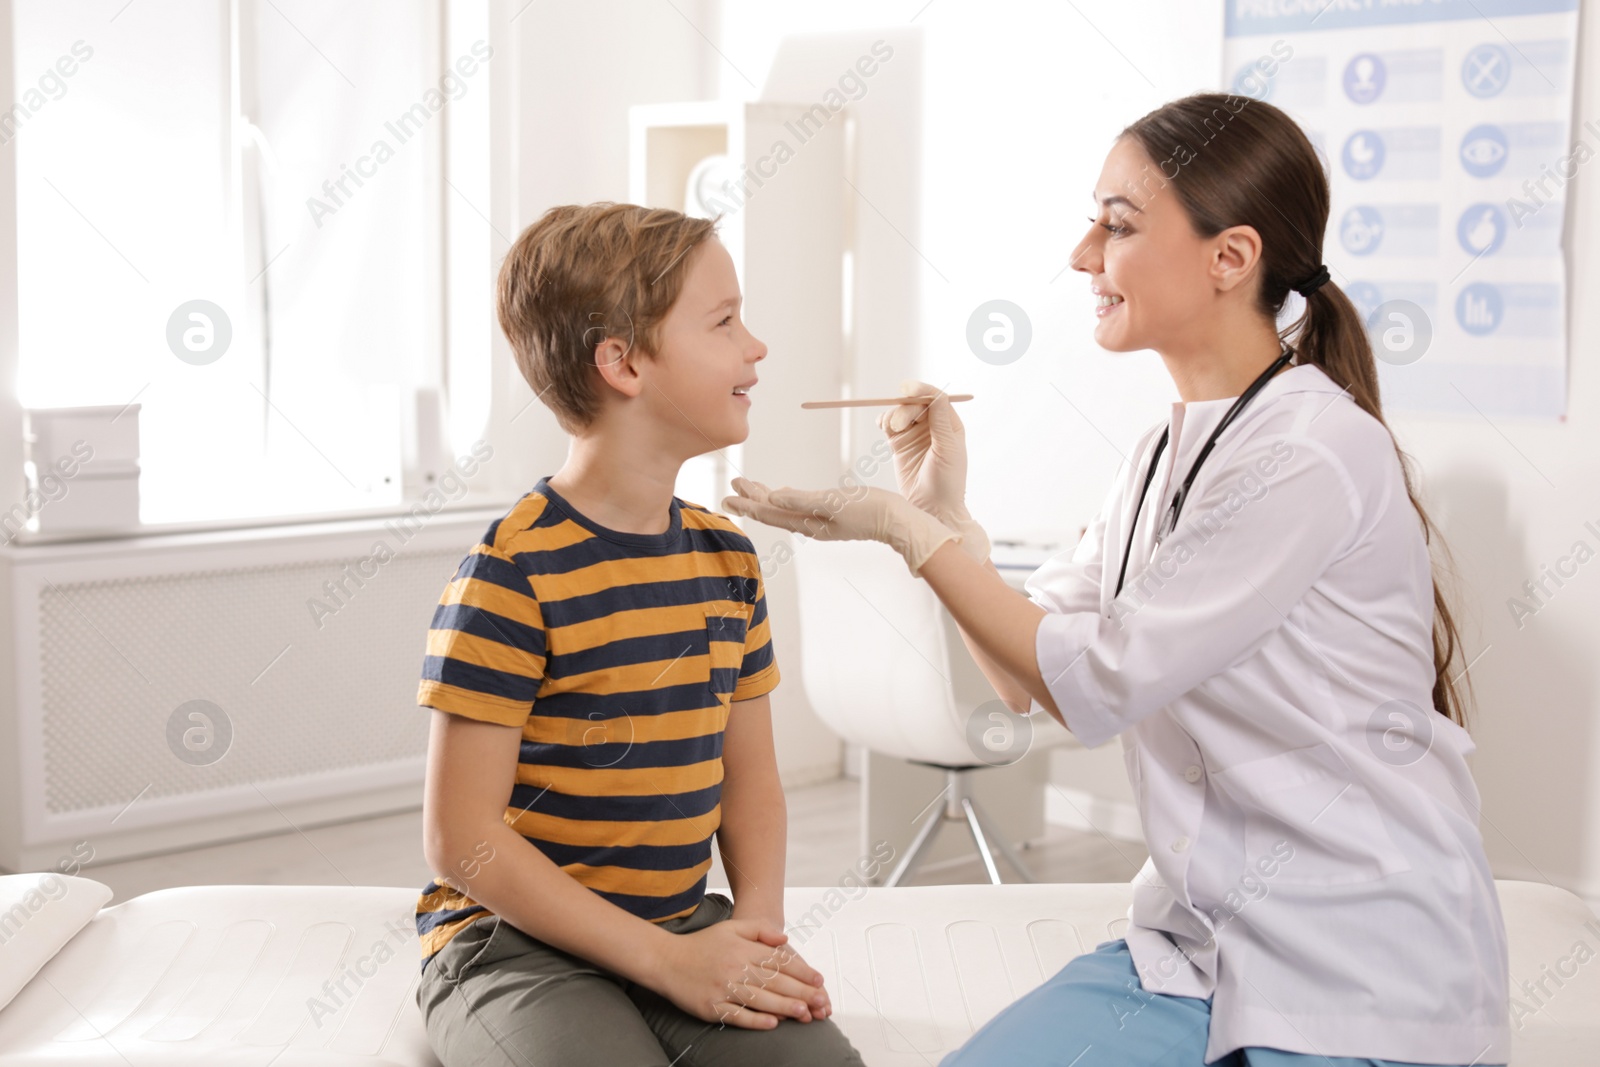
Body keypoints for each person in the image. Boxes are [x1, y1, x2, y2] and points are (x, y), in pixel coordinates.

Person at [723, 93, 1510, 1066]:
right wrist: (942, 522)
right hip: (1193, 948)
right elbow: (1028, 670)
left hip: (1361, 968)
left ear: (1231, 257)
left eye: (1118, 223)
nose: (1082, 253)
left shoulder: (1310, 450)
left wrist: (903, 534)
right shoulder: (1157, 454)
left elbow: (1096, 681)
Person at [413, 202, 865, 1066]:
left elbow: (751, 779)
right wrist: (667, 963)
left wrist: (754, 936)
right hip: (515, 944)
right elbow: (461, 838)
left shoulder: (728, 558)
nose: (756, 347)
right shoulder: (510, 573)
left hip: (677, 919)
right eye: (725, 322)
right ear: (621, 362)